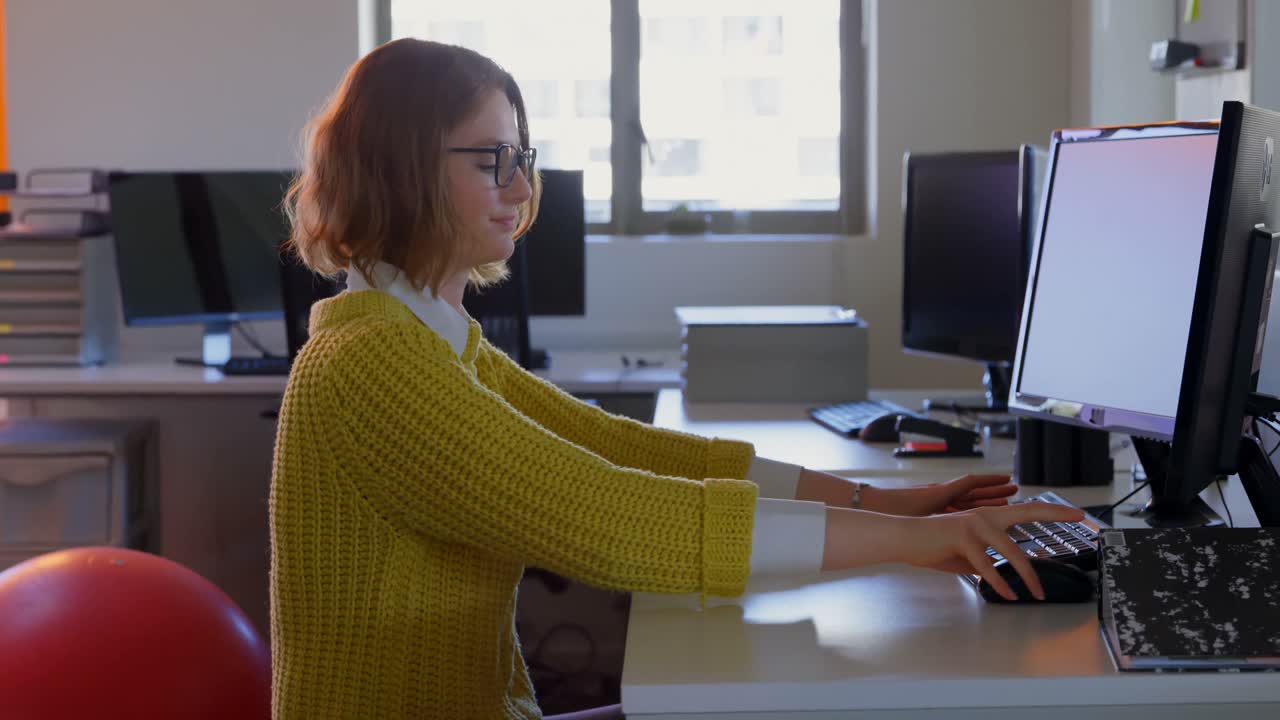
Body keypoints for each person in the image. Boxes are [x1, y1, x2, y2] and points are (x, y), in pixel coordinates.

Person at [270, 38, 1083, 720]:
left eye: (522, 158)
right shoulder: (372, 367)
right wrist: (916, 544)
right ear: (402, 168)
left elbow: (624, 449)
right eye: (492, 161)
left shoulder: (430, 341)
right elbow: (612, 513)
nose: (520, 190)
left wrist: (892, 503)